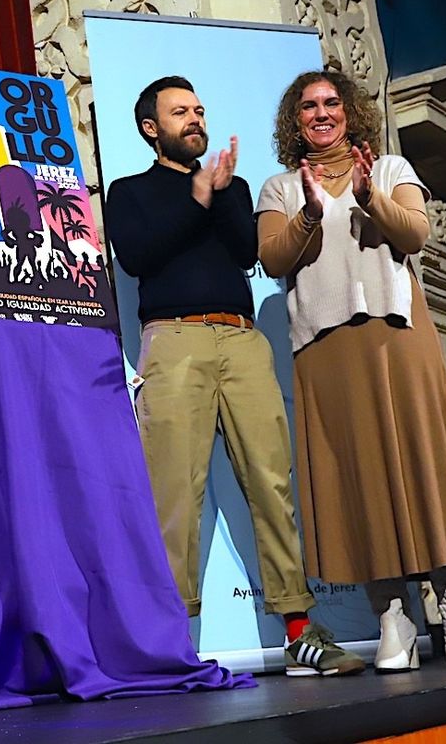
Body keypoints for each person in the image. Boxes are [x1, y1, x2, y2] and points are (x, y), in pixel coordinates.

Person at [105, 77, 364, 678]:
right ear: (152, 128)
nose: (195, 119)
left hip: (242, 340)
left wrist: (218, 195)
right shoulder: (130, 190)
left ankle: (301, 630)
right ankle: (169, 644)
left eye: (199, 109)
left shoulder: (233, 188)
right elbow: (138, 256)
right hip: (173, 341)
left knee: (272, 484)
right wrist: (196, 197)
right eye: (180, 113)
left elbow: (247, 251)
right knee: (174, 495)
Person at [256, 70, 446, 671]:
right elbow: (274, 255)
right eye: (307, 106)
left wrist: (369, 199)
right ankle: (394, 619)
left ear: (350, 111)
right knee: (356, 483)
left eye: (331, 102)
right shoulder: (280, 187)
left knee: (423, 467)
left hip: (397, 337)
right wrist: (310, 212)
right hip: (326, 353)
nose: (321, 113)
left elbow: (415, 234)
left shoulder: (387, 169)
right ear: (294, 120)